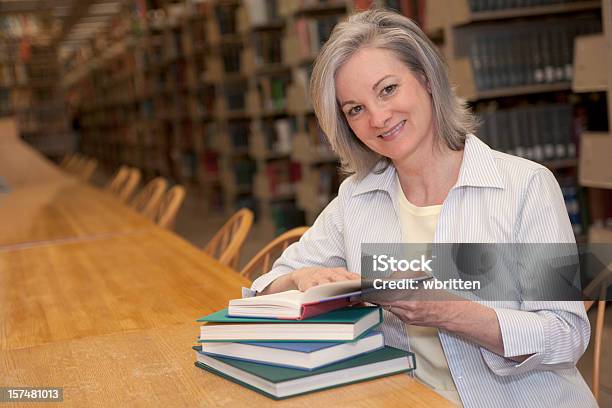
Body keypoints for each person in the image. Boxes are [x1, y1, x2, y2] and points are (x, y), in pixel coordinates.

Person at [245, 9, 596, 408]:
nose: (378, 118)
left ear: (427, 79)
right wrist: (303, 276)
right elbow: (263, 289)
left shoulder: (525, 186)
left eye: (388, 89)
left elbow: (567, 336)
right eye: (354, 109)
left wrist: (446, 311)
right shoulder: (356, 199)